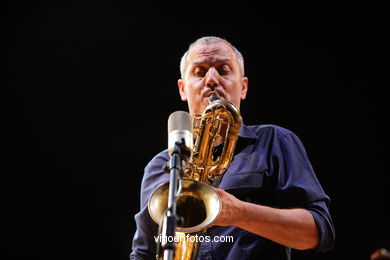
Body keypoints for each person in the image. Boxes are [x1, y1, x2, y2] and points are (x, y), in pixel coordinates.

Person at [130, 36, 335, 259]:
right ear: (182, 89)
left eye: (223, 69)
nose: (211, 80)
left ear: (243, 87)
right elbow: (144, 253)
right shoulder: (160, 166)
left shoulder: (275, 140)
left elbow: (318, 232)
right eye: (199, 72)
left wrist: (239, 212)